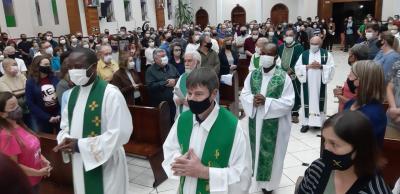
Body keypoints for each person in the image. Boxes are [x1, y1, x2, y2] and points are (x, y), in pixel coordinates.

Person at [54, 48, 133, 194]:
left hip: (107, 161)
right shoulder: (71, 95)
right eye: (70, 67)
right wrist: (64, 140)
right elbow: (65, 126)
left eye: (78, 67)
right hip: (80, 160)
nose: (73, 71)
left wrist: (81, 145)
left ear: (93, 67)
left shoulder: (111, 94)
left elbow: (120, 133)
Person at [162, 67, 252, 194]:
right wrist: (180, 160)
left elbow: (242, 176)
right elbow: (170, 149)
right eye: (189, 93)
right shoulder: (183, 119)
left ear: (214, 94)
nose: (191, 99)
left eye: (198, 94)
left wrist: (204, 172)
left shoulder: (233, 127)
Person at [240, 43, 294, 194]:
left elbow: (289, 102)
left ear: (275, 57)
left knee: (273, 154)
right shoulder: (253, 74)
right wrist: (252, 100)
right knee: (254, 151)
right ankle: (255, 180)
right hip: (255, 121)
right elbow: (244, 93)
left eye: (268, 54)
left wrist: (267, 102)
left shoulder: (284, 78)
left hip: (275, 125)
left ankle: (269, 185)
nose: (264, 57)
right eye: (262, 53)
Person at [298, 111, 392, 194]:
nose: (326, 148)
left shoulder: (375, 190)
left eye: (334, 144)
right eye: (324, 141)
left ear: (360, 148)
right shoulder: (317, 168)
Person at [0, 92, 52, 194]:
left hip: (35, 180)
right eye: (12, 106)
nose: (17, 108)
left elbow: (33, 149)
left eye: (17, 104)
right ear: (2, 114)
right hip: (26, 184)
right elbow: (14, 166)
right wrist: (38, 173)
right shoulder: (7, 136)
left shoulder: (20, 124)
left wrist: (43, 160)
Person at [295, 36, 335, 133]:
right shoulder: (304, 54)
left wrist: (321, 66)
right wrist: (308, 66)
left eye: (316, 44)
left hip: (319, 83)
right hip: (307, 84)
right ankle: (306, 123)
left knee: (319, 101)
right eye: (312, 44)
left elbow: (332, 67)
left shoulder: (326, 54)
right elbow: (297, 67)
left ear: (320, 44)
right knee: (307, 101)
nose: (313, 46)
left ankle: (319, 123)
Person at [343, 60, 386, 146]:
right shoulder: (351, 102)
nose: (348, 77)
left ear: (360, 80)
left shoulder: (373, 115)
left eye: (351, 74)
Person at [25, 55, 60, 133]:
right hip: (42, 117)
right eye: (45, 65)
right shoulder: (31, 82)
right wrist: (47, 117)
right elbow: (30, 103)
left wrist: (59, 114)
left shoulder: (54, 78)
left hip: (57, 115)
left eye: (49, 64)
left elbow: (60, 97)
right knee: (47, 141)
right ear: (37, 66)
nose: (48, 66)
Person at [146, 49, 180, 122]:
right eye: (162, 56)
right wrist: (165, 83)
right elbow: (150, 86)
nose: (165, 58)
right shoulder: (150, 70)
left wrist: (175, 81)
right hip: (160, 105)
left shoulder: (171, 66)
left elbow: (179, 78)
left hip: (174, 103)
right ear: (155, 59)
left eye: (165, 55)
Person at [278, 29, 304, 123]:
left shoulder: (298, 47)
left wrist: (291, 70)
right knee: (283, 93)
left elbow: (299, 60)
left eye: (291, 35)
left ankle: (295, 113)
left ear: (294, 36)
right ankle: (284, 111)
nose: (288, 37)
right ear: (284, 36)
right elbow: (278, 59)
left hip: (294, 74)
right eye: (287, 35)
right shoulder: (281, 47)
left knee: (294, 92)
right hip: (282, 73)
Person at [334, 44, 369, 112]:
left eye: (350, 54)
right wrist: (343, 90)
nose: (348, 56)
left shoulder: (359, 73)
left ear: (353, 56)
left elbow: (358, 103)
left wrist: (339, 96)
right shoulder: (357, 70)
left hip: (350, 114)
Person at [173, 51, 201, 118]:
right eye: (185, 61)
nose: (186, 64)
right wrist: (177, 100)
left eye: (189, 61)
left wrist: (191, 103)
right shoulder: (182, 76)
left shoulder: (202, 77)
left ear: (197, 62)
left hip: (196, 115)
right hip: (181, 112)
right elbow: (175, 92)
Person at [386, 61, 400, 134]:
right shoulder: (397, 64)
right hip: (392, 118)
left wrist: (397, 112)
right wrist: (393, 109)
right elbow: (389, 87)